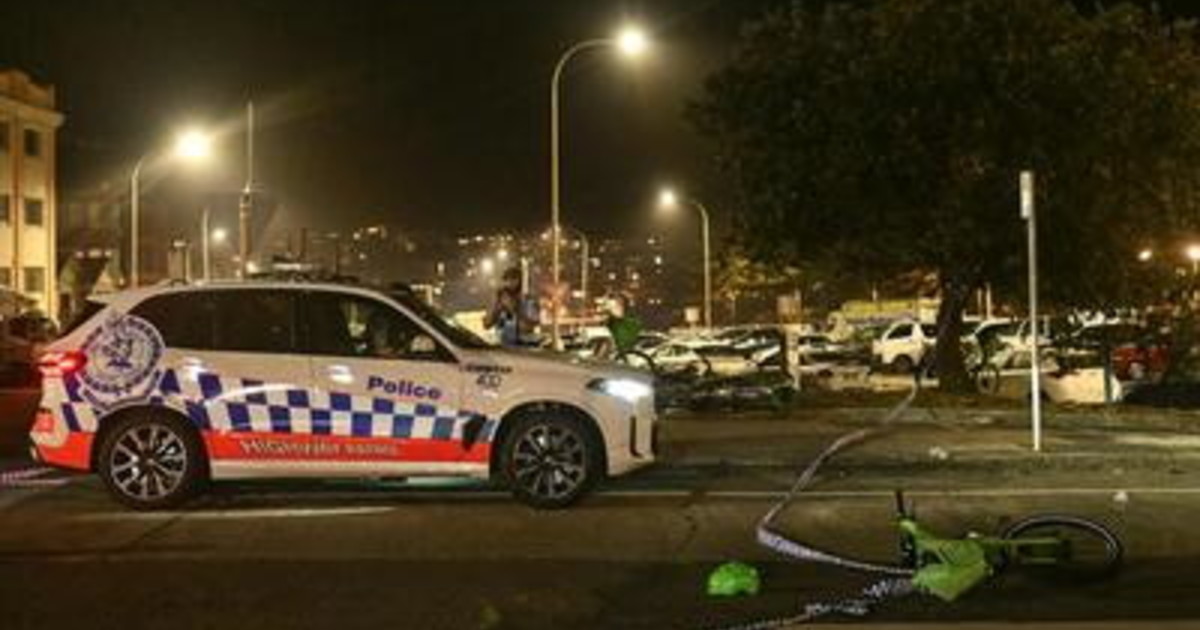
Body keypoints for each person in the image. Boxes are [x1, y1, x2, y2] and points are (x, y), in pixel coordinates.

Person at [485, 267, 537, 347]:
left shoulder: (527, 300)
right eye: (507, 280)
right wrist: (497, 309)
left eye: (514, 279)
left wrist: (511, 308)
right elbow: (487, 324)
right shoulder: (500, 298)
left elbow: (526, 327)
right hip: (504, 347)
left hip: (524, 348)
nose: (510, 283)